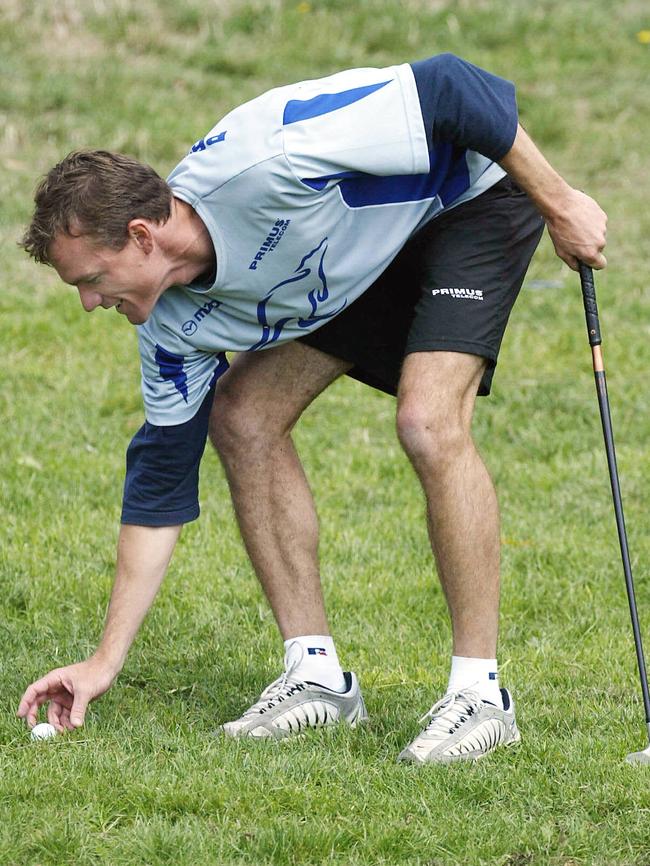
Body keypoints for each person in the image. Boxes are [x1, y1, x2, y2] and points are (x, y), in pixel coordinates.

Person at [17, 53, 606, 763]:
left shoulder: (271, 159)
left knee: (427, 419)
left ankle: (481, 695)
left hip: (467, 204)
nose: (88, 304)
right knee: (242, 415)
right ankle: (317, 677)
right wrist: (103, 661)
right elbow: (159, 490)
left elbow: (457, 86)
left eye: (91, 279)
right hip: (349, 264)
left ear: (142, 238)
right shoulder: (168, 326)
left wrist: (559, 202)